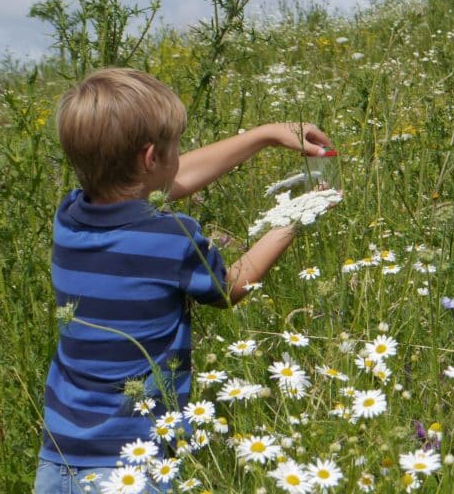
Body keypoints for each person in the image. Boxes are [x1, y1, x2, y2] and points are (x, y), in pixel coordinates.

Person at [35, 67, 332, 493]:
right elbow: (231, 288)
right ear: (151, 157)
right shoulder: (171, 238)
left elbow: (162, 181)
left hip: (59, 455)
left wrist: (263, 135)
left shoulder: (69, 217)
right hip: (133, 463)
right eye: (176, 147)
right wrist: (299, 215)